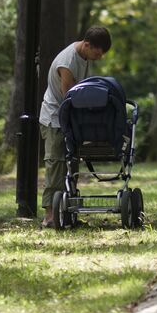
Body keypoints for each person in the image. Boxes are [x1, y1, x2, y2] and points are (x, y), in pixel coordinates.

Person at [40, 26, 112, 228]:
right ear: (87, 45)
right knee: (56, 165)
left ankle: (69, 212)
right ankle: (50, 216)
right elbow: (68, 98)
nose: (98, 58)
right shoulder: (68, 62)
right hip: (55, 117)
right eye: (97, 53)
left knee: (71, 166)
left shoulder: (84, 56)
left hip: (69, 118)